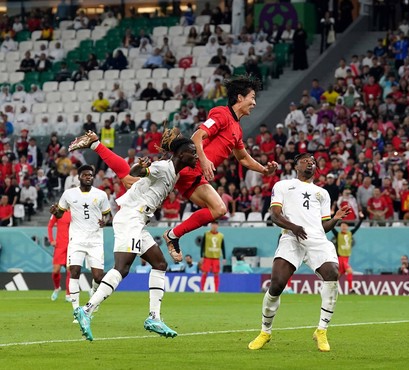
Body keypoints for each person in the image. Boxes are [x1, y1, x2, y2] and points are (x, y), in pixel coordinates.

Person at [68, 76, 278, 261]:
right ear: (239, 98)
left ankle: (172, 235)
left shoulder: (237, 130)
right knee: (129, 179)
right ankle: (96, 143)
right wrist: (203, 160)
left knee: (219, 209)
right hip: (184, 169)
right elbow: (197, 136)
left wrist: (264, 170)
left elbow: (243, 158)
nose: (254, 102)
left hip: (196, 178)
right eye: (252, 97)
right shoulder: (222, 114)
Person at [72, 136, 198, 341]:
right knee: (122, 268)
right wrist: (141, 167)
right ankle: (86, 310)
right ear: (181, 154)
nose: (195, 156)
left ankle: (154, 317)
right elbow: (135, 172)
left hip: (139, 221)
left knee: (159, 263)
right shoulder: (163, 167)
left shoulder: (174, 173)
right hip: (131, 216)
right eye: (192, 152)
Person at [248, 153, 350, 352]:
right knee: (276, 284)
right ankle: (265, 332)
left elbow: (324, 226)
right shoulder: (283, 186)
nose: (310, 163)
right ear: (296, 165)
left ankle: (321, 331)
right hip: (291, 237)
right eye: (305, 161)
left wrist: (335, 218)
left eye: (313, 162)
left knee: (332, 274)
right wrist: (294, 227)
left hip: (317, 240)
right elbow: (275, 216)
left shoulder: (322, 193)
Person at [49, 165, 111, 316]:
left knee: (98, 276)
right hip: (76, 239)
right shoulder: (69, 194)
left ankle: (94, 294)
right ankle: (77, 310)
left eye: (91, 175)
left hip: (95, 240)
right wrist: (55, 212)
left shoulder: (101, 194)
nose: (89, 177)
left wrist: (105, 221)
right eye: (85, 175)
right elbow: (59, 214)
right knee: (74, 271)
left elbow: (107, 214)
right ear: (79, 177)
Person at [330, 219, 362, 294]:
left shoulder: (350, 234)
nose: (344, 227)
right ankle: (351, 290)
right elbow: (332, 228)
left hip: (347, 258)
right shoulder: (338, 235)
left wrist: (361, 219)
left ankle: (329, 289)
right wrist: (329, 219)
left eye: (345, 226)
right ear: (340, 227)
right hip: (341, 257)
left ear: (347, 227)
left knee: (337, 276)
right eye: (342, 226)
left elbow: (357, 228)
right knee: (350, 271)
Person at [47, 209, 72, 302]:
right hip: (60, 246)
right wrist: (51, 240)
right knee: (56, 271)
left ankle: (68, 294)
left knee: (70, 271)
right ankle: (57, 288)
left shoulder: (75, 211)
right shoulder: (58, 212)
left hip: (71, 246)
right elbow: (50, 226)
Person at [199, 221, 226, 292]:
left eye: (215, 225)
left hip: (216, 257)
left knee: (216, 273)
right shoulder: (206, 234)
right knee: (204, 272)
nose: (214, 226)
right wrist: (201, 256)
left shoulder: (220, 235)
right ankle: (202, 290)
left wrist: (224, 257)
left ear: (217, 226)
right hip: (207, 257)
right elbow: (202, 245)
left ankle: (216, 290)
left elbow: (223, 247)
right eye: (213, 225)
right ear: (211, 225)